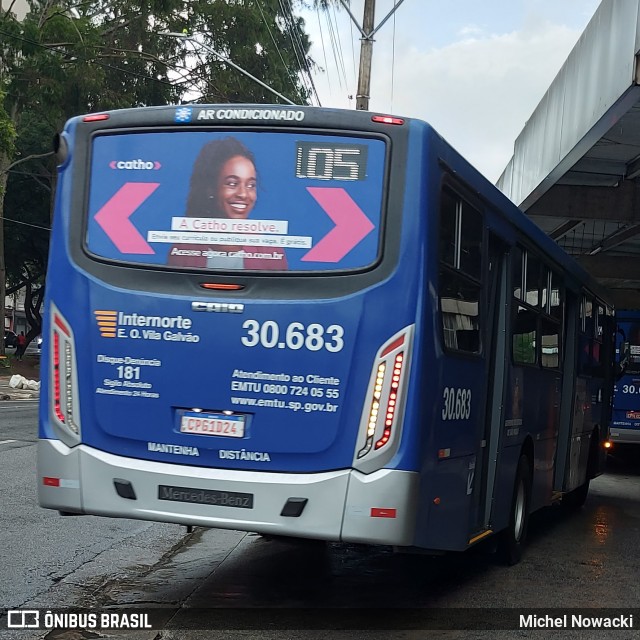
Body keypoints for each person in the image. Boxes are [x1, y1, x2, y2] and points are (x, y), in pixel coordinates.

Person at [167, 137, 287, 270]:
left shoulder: (270, 250)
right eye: (232, 183)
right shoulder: (183, 249)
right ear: (210, 189)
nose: (243, 194)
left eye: (251, 185)